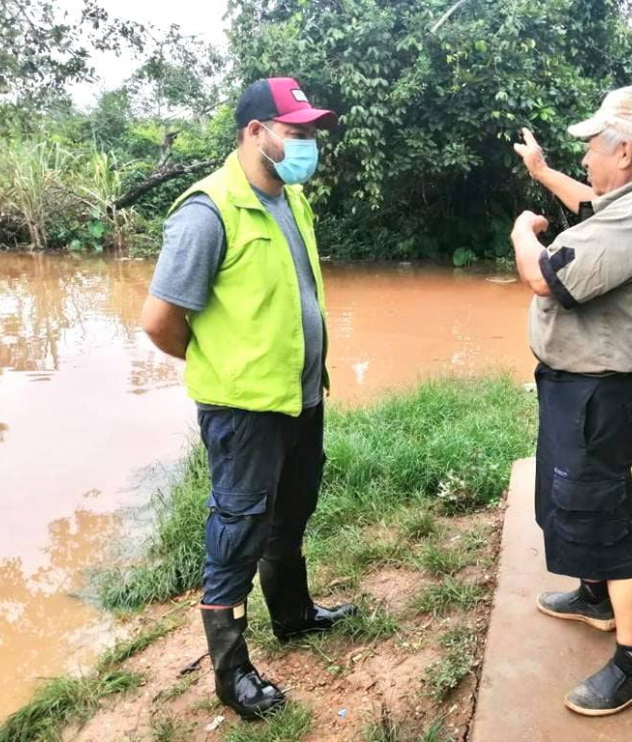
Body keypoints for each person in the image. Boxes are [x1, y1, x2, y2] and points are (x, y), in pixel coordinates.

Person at [140, 77, 356, 720]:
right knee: (236, 532)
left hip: (301, 399)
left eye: (311, 131)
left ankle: (293, 615)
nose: (307, 143)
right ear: (254, 132)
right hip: (244, 410)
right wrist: (220, 362)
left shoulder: (290, 199)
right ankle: (232, 674)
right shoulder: (206, 212)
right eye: (296, 131)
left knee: (291, 512)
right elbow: (160, 321)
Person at [511, 85, 632, 716]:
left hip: (599, 394)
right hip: (586, 390)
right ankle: (594, 595)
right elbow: (588, 200)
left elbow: (542, 275)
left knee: (606, 519)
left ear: (624, 150)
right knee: (577, 499)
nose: (585, 156)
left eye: (592, 145)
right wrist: (541, 173)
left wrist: (522, 233)